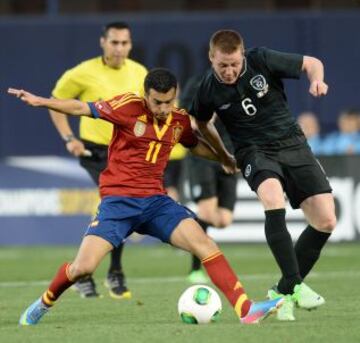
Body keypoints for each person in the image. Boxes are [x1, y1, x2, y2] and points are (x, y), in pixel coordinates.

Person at [9, 68, 283, 326]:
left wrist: (224, 157)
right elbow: (82, 107)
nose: (163, 109)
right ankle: (44, 303)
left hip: (156, 203)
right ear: (145, 95)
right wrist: (42, 102)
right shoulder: (127, 107)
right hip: (118, 203)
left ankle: (246, 310)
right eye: (157, 102)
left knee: (205, 244)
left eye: (168, 101)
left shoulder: (178, 120)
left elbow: (194, 145)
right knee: (83, 268)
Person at [189, 29, 336, 321]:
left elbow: (311, 62)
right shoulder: (206, 89)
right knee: (272, 196)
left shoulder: (262, 60)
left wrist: (316, 80)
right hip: (253, 151)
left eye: (234, 63)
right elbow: (201, 124)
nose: (229, 71)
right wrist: (223, 155)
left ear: (242, 54)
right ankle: (295, 285)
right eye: (222, 65)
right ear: (211, 58)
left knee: (326, 220)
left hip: (292, 142)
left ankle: (281, 291)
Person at [49, 21, 147, 299]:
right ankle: (102, 273)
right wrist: (70, 138)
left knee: (121, 207)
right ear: (102, 42)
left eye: (124, 43)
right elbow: (56, 102)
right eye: (114, 42)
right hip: (96, 152)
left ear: (130, 44)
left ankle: (97, 272)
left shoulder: (139, 72)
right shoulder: (83, 72)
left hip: (127, 152)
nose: (119, 48)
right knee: (115, 203)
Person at [180, 75, 238, 284]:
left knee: (223, 220)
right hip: (202, 156)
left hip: (228, 155)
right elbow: (182, 117)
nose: (229, 69)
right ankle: (195, 269)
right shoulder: (197, 84)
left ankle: (185, 225)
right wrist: (200, 120)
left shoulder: (240, 86)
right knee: (206, 210)